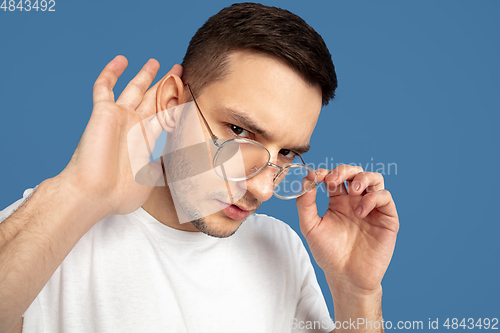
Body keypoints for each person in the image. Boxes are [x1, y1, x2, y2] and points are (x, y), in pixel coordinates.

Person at [0, 3, 399, 333]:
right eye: (240, 131)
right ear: (174, 103)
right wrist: (78, 190)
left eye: (286, 154)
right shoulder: (51, 230)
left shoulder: (280, 248)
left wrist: (356, 293)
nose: (261, 188)